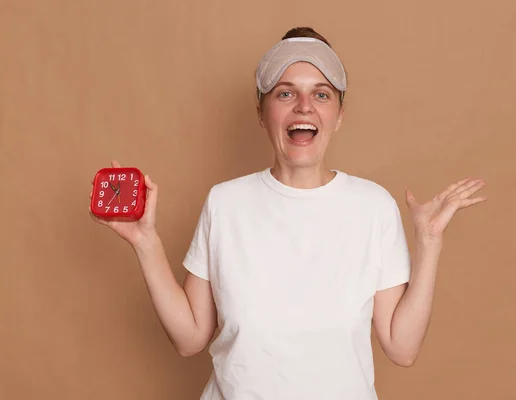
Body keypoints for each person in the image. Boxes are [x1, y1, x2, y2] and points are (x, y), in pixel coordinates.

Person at [89, 27, 487, 400]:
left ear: (340, 115)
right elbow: (190, 337)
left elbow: (402, 348)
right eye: (284, 93)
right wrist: (145, 242)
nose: (304, 107)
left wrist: (430, 242)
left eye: (321, 94)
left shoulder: (373, 207)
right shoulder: (225, 203)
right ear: (262, 113)